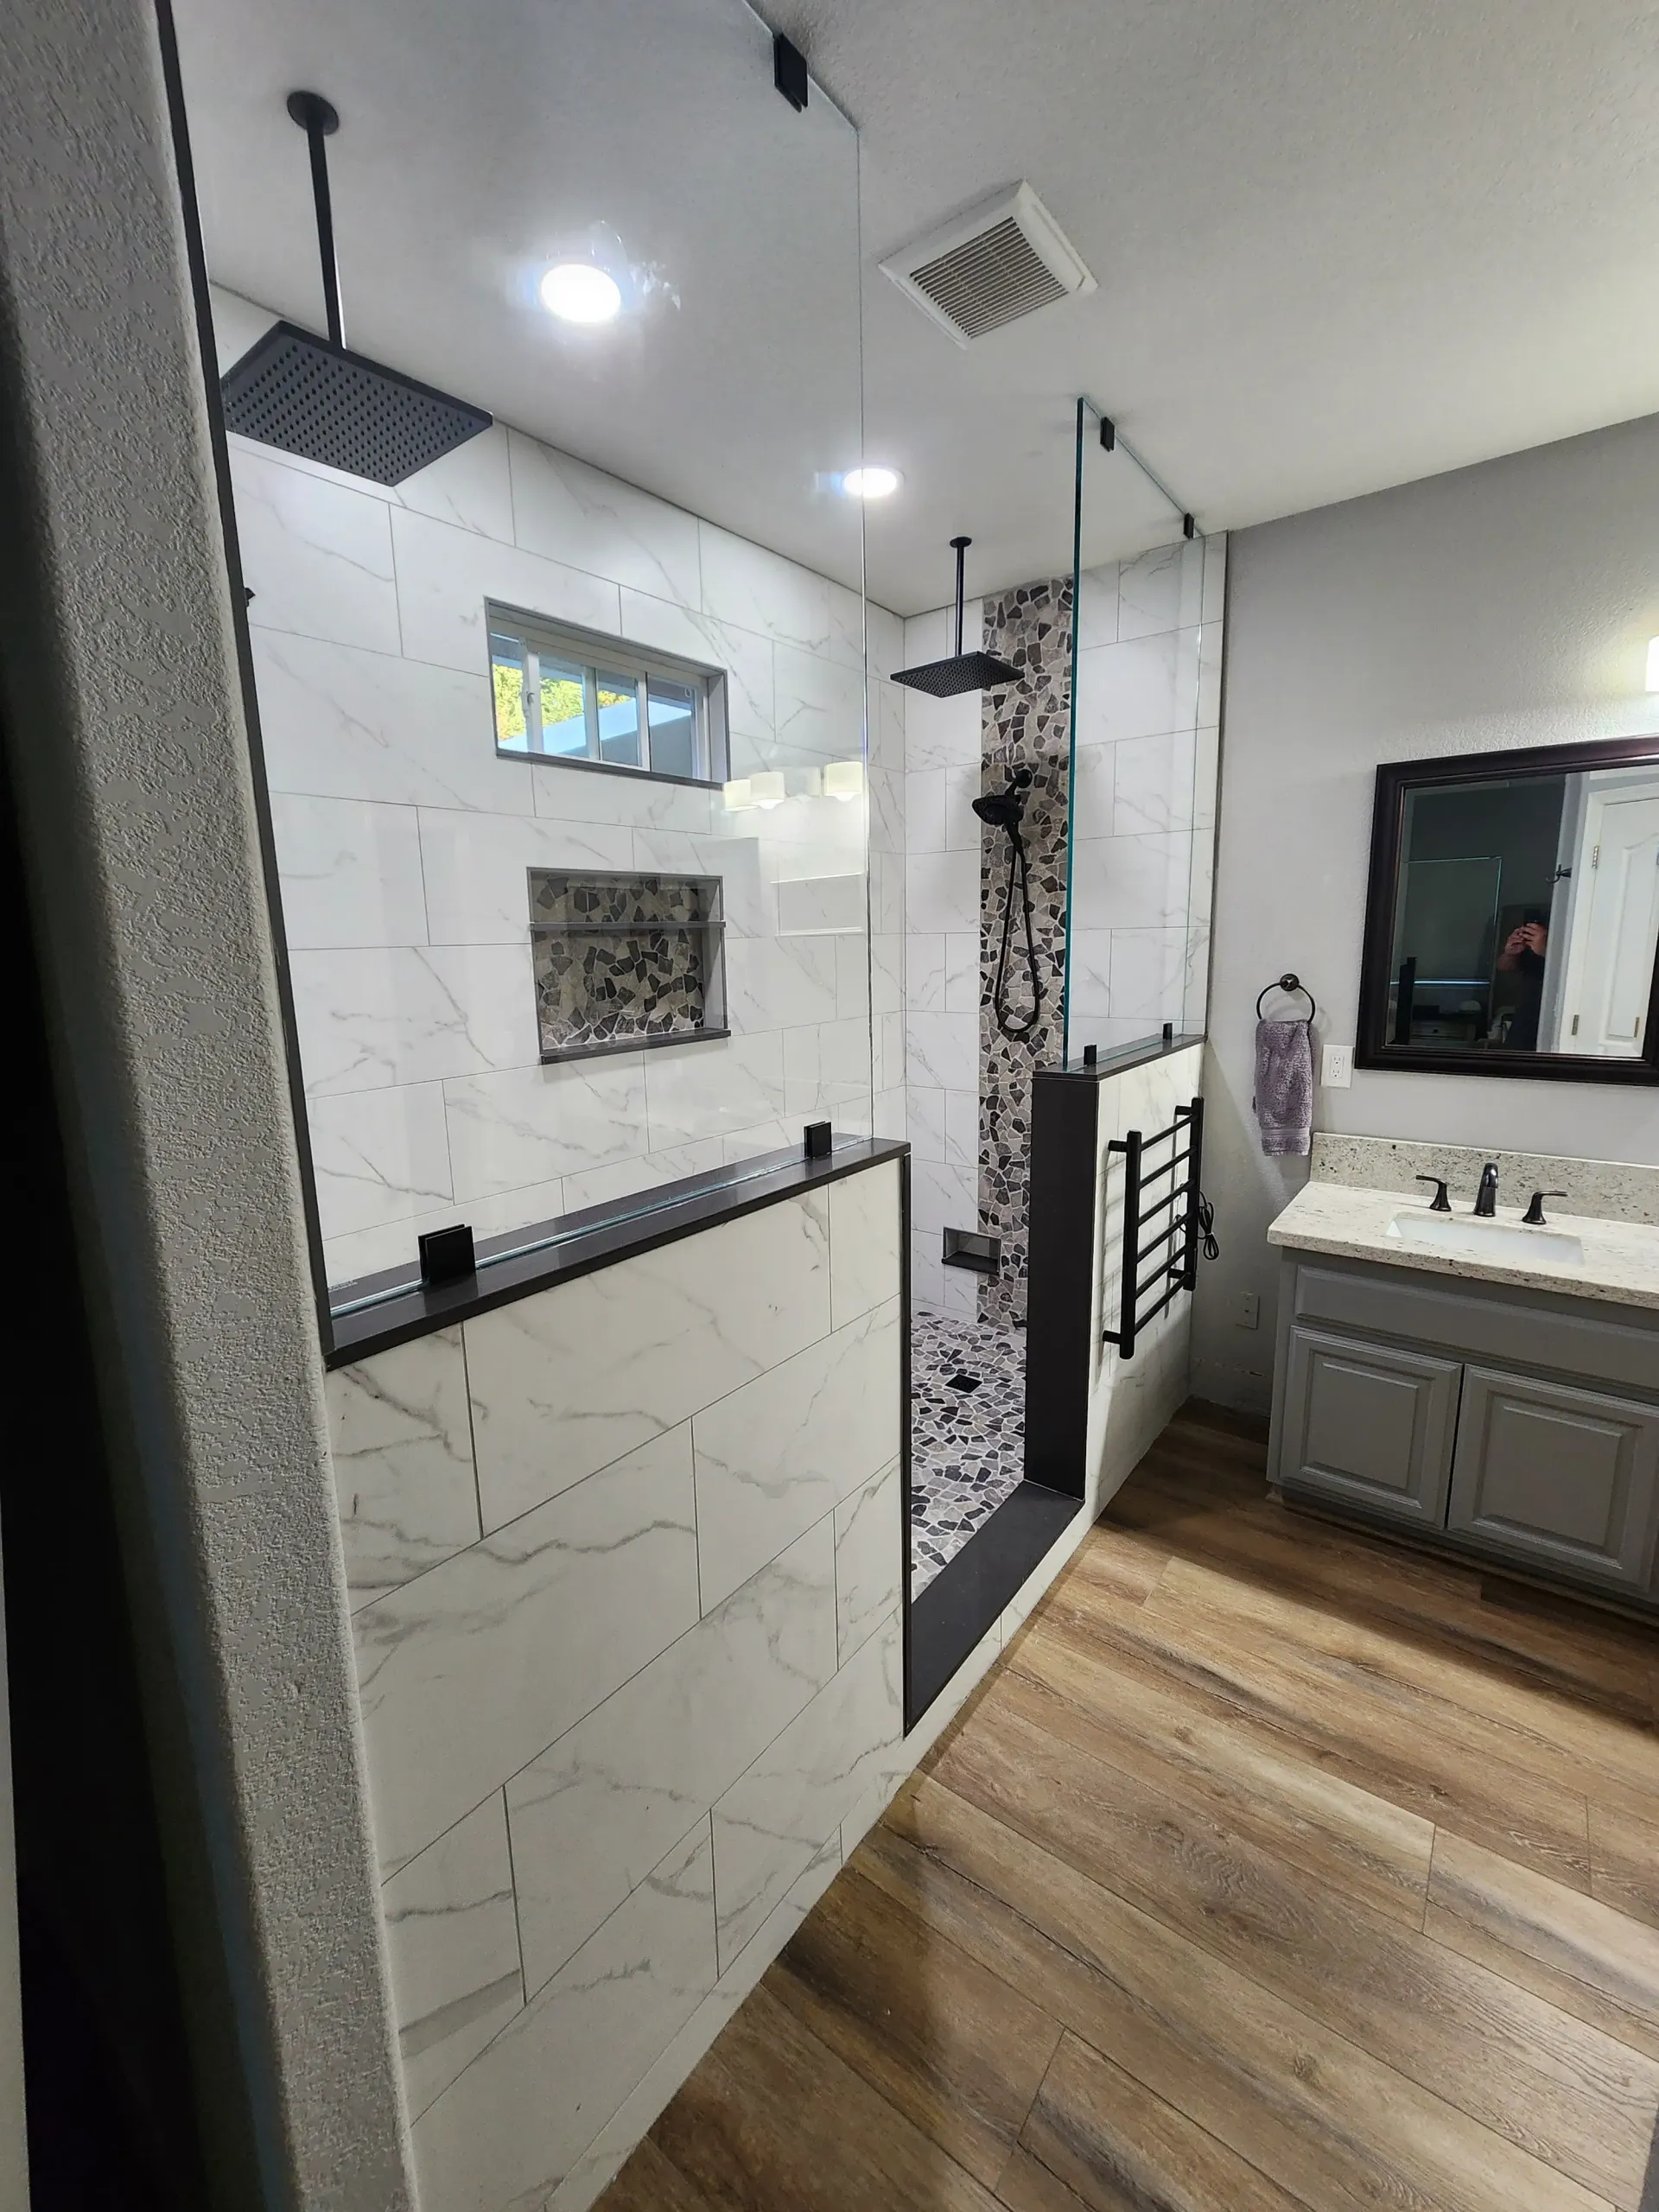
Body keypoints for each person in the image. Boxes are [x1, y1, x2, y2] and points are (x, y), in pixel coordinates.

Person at [1494, 918, 1548, 1048]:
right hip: (1525, 1015)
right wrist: (1510, 954)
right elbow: (1503, 967)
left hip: (1555, 1016)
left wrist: (1546, 950)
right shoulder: (1532, 937)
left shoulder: (1577, 933)